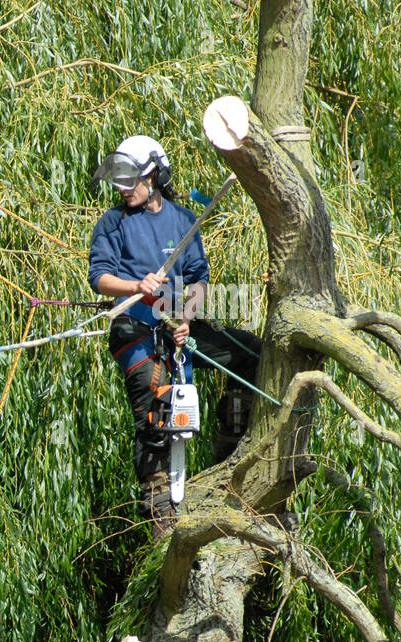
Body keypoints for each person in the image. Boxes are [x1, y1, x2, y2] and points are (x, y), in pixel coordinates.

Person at [88, 135, 261, 536]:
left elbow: (199, 277)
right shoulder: (113, 223)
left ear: (156, 176)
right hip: (135, 327)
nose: (123, 190)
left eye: (132, 181)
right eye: (120, 182)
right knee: (154, 398)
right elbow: (100, 278)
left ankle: (230, 450)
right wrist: (135, 286)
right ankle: (160, 509)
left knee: (251, 356)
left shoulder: (183, 220)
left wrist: (188, 314)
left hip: (180, 325)